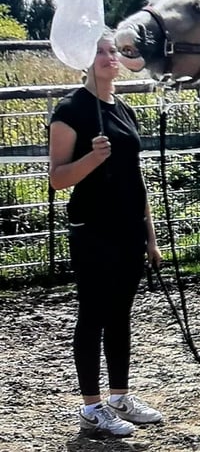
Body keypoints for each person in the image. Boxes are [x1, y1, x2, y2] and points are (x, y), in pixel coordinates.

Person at [49, 28, 163, 437]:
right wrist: (92, 160)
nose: (108, 57)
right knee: (93, 315)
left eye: (113, 50)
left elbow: (136, 177)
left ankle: (119, 397)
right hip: (93, 230)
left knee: (120, 316)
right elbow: (58, 179)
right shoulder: (71, 110)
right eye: (99, 51)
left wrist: (151, 236)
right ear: (85, 58)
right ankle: (91, 407)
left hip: (129, 228)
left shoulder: (124, 109)